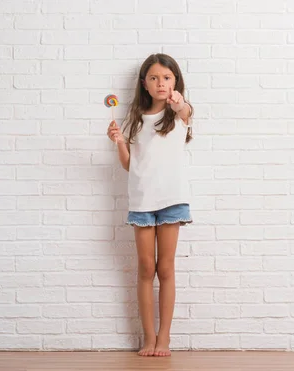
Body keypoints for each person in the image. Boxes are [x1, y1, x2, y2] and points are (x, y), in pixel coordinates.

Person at [106, 53, 194, 357]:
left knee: (166, 268)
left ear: (175, 82)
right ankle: (148, 337)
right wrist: (118, 141)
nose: (161, 83)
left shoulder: (179, 113)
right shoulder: (134, 120)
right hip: (142, 201)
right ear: (144, 84)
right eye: (154, 78)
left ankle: (164, 338)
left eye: (167, 78)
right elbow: (130, 165)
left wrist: (178, 102)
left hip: (171, 200)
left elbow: (185, 109)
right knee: (146, 268)